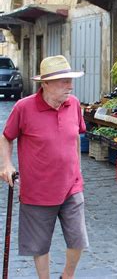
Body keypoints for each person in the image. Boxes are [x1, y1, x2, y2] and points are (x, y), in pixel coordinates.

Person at [0, 55, 88, 279]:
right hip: (37, 190)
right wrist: (7, 164)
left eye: (70, 79)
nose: (70, 86)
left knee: (78, 238)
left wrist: (77, 171)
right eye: (63, 81)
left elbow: (76, 137)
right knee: (39, 245)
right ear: (45, 84)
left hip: (71, 186)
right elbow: (6, 137)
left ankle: (67, 276)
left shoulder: (74, 104)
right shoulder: (24, 107)